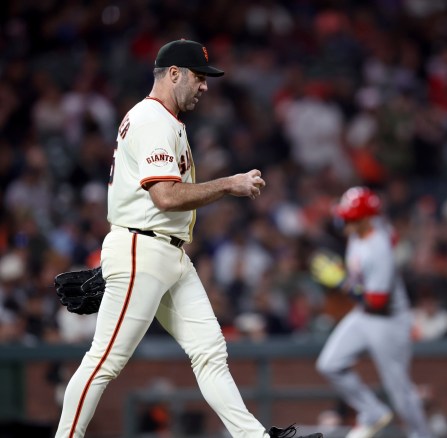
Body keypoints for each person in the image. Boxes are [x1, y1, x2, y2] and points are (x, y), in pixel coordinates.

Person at [54, 39, 322, 438]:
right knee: (104, 361)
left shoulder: (165, 120)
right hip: (142, 248)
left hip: (165, 253)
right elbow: (164, 197)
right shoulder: (151, 119)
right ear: (174, 74)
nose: (205, 86)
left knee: (210, 352)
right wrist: (229, 184)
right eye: (198, 76)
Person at [315, 187, 433, 438]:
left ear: (365, 219)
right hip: (364, 315)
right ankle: (372, 411)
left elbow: (377, 301)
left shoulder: (378, 249)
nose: (344, 221)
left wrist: (341, 283)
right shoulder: (367, 229)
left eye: (350, 217)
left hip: (389, 321)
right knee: (330, 364)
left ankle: (422, 435)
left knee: (399, 390)